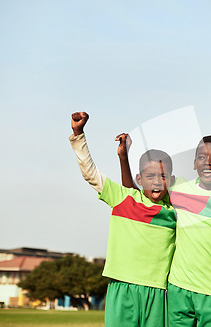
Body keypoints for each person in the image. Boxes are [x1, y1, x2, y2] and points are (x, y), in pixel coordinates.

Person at [118, 135, 211, 326]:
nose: (207, 162)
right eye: (201, 157)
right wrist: (124, 157)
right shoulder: (178, 188)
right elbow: (139, 195)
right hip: (178, 288)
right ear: (194, 163)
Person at [69, 112, 176, 327]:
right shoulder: (123, 199)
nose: (156, 181)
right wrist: (78, 134)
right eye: (150, 176)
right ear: (139, 179)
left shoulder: (176, 212)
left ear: (171, 180)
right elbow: (91, 173)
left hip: (158, 292)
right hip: (122, 286)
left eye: (163, 176)